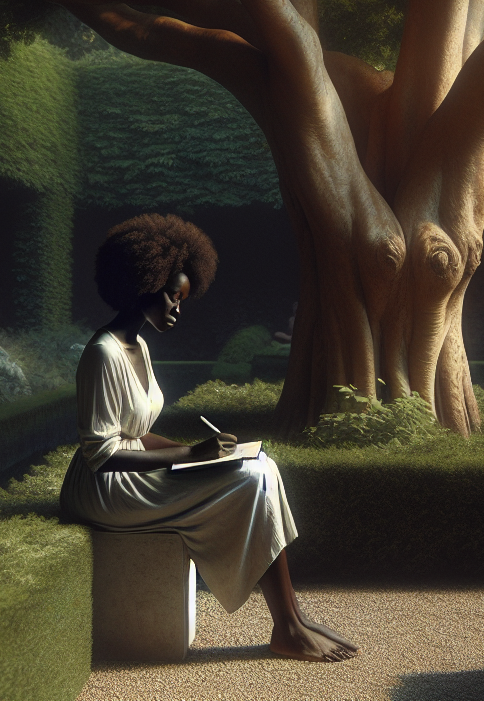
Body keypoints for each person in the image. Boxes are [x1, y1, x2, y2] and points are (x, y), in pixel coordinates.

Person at [59, 213, 356, 662]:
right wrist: (188, 453)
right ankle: (287, 627)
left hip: (129, 474)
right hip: (105, 490)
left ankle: (293, 615)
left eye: (182, 298)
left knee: (263, 466)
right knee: (251, 481)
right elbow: (103, 455)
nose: (178, 308)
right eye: (172, 296)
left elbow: (135, 433)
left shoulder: (139, 346)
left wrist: (203, 455)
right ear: (142, 284)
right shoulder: (103, 354)